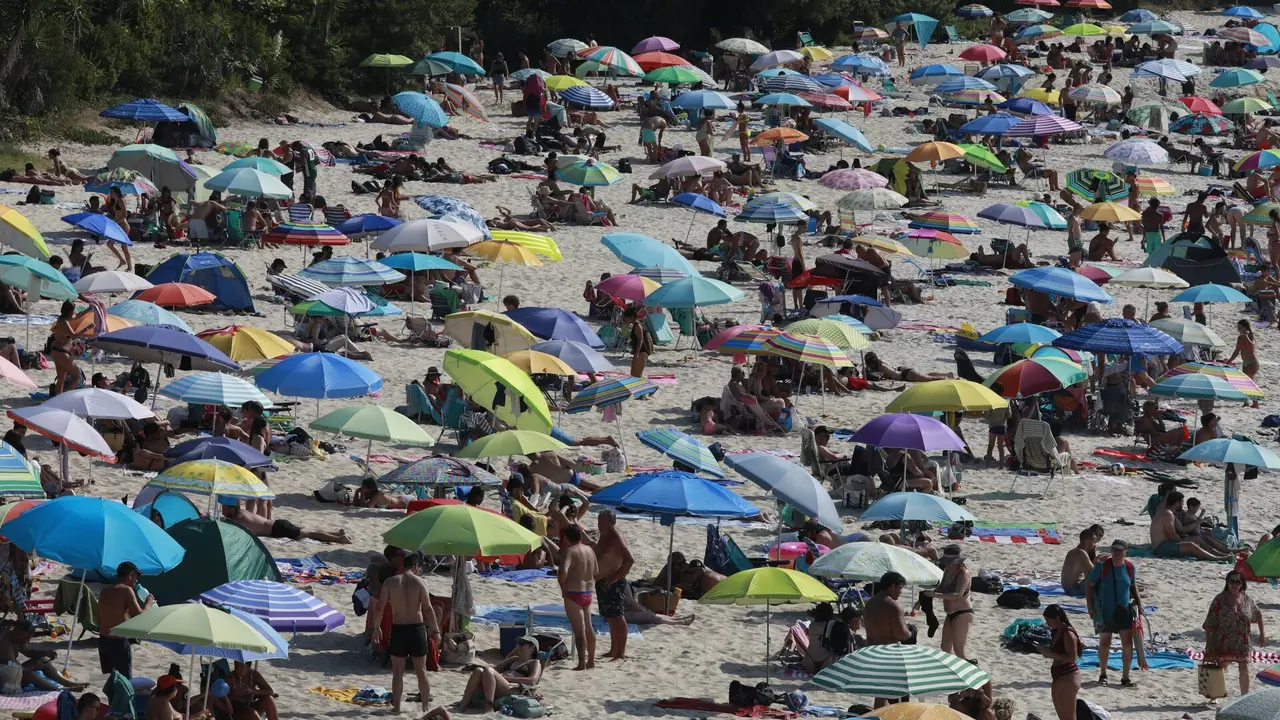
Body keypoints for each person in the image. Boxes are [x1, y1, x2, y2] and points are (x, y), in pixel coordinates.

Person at [377, 552, 440, 714]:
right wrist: (435, 629)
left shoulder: (390, 582)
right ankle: (425, 706)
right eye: (421, 567)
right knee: (421, 670)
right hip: (417, 629)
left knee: (397, 672)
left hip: (398, 629)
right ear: (416, 566)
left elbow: (381, 607)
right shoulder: (420, 582)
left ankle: (397, 707)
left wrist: (376, 628)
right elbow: (427, 608)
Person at [1084, 540, 1144, 686]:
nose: (1117, 553)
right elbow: (1089, 585)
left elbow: (1133, 585)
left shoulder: (1129, 567)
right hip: (1105, 611)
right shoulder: (1102, 567)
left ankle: (1125, 677)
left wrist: (1139, 602)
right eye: (1114, 550)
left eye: (1120, 550)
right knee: (1105, 643)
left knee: (1127, 644)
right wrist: (1090, 606)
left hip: (1124, 610)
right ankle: (1103, 674)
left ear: (1126, 552)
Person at [1204, 570, 1266, 696]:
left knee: (1244, 668)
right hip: (1222, 640)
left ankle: (1244, 696)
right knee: (1221, 667)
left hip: (1243, 641)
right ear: (1227, 582)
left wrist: (1262, 635)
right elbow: (1210, 623)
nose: (1234, 584)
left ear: (1242, 584)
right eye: (1231, 581)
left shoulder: (1247, 599)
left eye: (1238, 582)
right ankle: (1215, 694)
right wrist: (1209, 643)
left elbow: (1258, 615)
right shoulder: (1219, 599)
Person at [456, 635, 542, 712]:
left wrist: (507, 678)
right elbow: (493, 670)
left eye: (523, 643)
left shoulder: (534, 663)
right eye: (519, 643)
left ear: (532, 647)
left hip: (514, 689)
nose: (519, 646)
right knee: (479, 671)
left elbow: (532, 681)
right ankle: (463, 704)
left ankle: (488, 706)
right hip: (500, 685)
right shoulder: (514, 659)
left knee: (489, 671)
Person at [865, 572, 913, 706]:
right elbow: (902, 634)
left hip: (874, 652)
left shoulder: (870, 603)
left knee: (880, 694)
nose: (900, 592)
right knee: (899, 697)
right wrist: (912, 632)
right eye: (900, 588)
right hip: (891, 655)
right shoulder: (893, 606)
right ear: (892, 586)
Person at [99, 562, 152, 679]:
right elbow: (139, 614)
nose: (136, 581)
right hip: (117, 642)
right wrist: (149, 603)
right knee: (125, 681)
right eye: (135, 578)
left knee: (112, 679)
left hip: (103, 641)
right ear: (130, 575)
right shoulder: (127, 590)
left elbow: (100, 617)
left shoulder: (105, 591)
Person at [0, 619, 86, 690]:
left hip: (12, 672)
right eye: (25, 638)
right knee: (29, 674)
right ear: (17, 632)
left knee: (43, 659)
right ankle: (59, 688)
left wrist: (45, 652)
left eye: (28, 639)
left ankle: (67, 683)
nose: (26, 641)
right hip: (4, 680)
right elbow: (13, 671)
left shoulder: (17, 639)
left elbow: (28, 652)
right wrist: (34, 667)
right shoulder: (5, 644)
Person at [595, 509, 634, 661]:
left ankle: (621, 652)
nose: (600, 526)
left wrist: (616, 577)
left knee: (618, 616)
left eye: (603, 523)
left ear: (612, 523)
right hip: (603, 582)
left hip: (614, 582)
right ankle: (613, 649)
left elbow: (629, 560)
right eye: (599, 522)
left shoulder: (616, 538)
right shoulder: (605, 535)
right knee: (610, 618)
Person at [558, 525, 597, 670]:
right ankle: (591, 661)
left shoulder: (569, 552)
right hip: (588, 592)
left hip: (574, 593)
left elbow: (562, 571)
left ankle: (581, 663)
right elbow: (597, 571)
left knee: (579, 629)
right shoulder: (590, 550)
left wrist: (563, 587)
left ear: (566, 537)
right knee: (588, 626)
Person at [1152, 491, 1231, 560]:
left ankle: (1219, 553)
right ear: (1176, 503)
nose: (1183, 504)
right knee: (1191, 545)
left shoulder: (1166, 512)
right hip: (1161, 547)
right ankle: (1216, 557)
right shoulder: (1168, 514)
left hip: (1164, 544)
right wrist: (1183, 543)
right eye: (1182, 503)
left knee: (1197, 539)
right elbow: (1171, 534)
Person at [927, 544, 974, 658]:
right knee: (945, 648)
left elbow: (958, 595)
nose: (947, 565)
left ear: (958, 561)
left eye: (950, 562)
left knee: (959, 650)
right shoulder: (948, 570)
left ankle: (971, 672)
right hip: (950, 614)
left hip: (962, 613)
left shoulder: (964, 573)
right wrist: (925, 597)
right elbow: (941, 588)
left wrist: (936, 595)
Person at [222, 503, 352, 544]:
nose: (223, 511)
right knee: (309, 531)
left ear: (232, 509)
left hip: (279, 529)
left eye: (225, 508)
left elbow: (230, 530)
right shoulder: (243, 512)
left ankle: (339, 539)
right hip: (279, 524)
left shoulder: (237, 518)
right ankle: (337, 533)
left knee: (310, 534)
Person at [1037, 604, 1082, 720]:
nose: (1047, 623)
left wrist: (1049, 653)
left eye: (1048, 620)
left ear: (1056, 617)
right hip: (1059, 675)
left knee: (1069, 717)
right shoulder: (1057, 631)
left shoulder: (1068, 633)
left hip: (1067, 675)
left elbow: (1072, 657)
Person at [48, 300, 79, 396]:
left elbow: (77, 317)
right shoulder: (65, 323)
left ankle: (58, 398)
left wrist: (89, 310)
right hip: (62, 353)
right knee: (77, 376)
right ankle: (66, 397)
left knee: (61, 378)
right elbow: (73, 336)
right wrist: (87, 329)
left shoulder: (60, 320)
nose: (74, 312)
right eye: (73, 310)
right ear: (70, 311)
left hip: (55, 352)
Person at [1061, 528, 1099, 596]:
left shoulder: (1074, 550)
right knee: (1102, 579)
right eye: (1094, 542)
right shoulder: (1081, 553)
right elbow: (1094, 572)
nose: (1094, 545)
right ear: (1087, 541)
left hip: (1067, 588)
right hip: (1073, 589)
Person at [623, 307, 652, 379]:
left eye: (626, 318)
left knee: (638, 375)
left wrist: (636, 354)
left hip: (642, 352)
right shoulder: (634, 325)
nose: (625, 319)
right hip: (638, 352)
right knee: (633, 374)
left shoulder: (638, 326)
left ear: (631, 317)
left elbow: (640, 340)